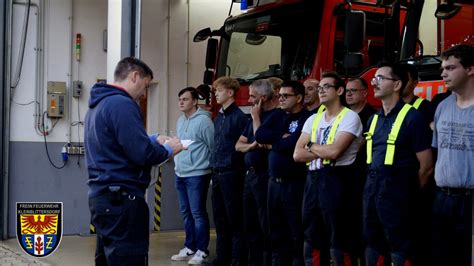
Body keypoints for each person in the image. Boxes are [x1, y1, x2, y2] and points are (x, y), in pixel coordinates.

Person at [85, 57, 184, 265]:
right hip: (123, 201)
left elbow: (114, 144)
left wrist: (151, 138)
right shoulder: (122, 104)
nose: (144, 94)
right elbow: (143, 154)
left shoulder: (98, 105)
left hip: (104, 199)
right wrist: (168, 149)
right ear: (134, 76)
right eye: (145, 86)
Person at [363, 62, 433, 266]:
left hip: (399, 194)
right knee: (373, 243)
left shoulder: (413, 118)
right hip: (372, 192)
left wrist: (406, 192)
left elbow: (426, 166)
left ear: (397, 85)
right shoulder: (373, 120)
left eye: (381, 78)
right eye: (374, 78)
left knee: (400, 248)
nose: (374, 83)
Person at [294, 72, 363, 265]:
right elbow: (297, 155)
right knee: (312, 233)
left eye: (326, 87)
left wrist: (311, 146)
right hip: (313, 179)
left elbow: (335, 152)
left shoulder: (349, 117)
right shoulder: (313, 119)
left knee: (339, 236)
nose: (321, 91)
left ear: (340, 90)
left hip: (338, 180)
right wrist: (322, 150)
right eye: (319, 88)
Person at [255, 80, 311, 266]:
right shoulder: (278, 115)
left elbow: (294, 144)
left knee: (295, 230)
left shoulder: (306, 118)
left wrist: (275, 143)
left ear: (299, 98)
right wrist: (281, 138)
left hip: (294, 183)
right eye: (280, 95)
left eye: (285, 96)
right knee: (275, 230)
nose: (281, 99)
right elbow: (260, 135)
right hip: (273, 183)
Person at [431, 44, 474, 266]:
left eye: (450, 67)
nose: (443, 73)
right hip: (442, 198)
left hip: (470, 200)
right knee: (442, 258)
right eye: (442, 68)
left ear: (470, 69)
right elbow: (438, 150)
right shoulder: (442, 107)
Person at [205, 77, 248, 266]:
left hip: (232, 173)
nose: (216, 93)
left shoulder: (239, 117)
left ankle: (238, 259)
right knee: (220, 218)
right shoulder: (219, 117)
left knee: (235, 219)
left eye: (219, 90)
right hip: (217, 171)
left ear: (230, 93)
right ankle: (222, 258)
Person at [235, 79, 277, 266]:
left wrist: (256, 119)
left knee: (265, 225)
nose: (249, 99)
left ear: (264, 98)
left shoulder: (274, 117)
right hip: (250, 176)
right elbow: (238, 145)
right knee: (249, 225)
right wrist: (251, 146)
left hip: (264, 176)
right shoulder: (252, 117)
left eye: (252, 96)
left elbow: (262, 138)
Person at [172, 87, 214, 264]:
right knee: (186, 213)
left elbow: (212, 146)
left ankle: (202, 250)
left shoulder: (204, 122)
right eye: (180, 99)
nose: (181, 102)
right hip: (180, 173)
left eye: (185, 99)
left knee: (197, 213)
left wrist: (210, 170)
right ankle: (190, 246)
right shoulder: (180, 121)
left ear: (195, 101)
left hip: (197, 173)